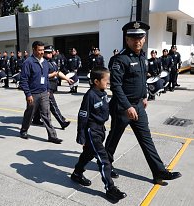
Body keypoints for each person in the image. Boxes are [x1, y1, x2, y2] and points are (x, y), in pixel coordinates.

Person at [105, 21, 181, 184]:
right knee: (114, 138)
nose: (137, 41)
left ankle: (159, 171)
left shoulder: (142, 57)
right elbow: (116, 86)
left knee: (146, 139)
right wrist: (127, 106)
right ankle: (106, 164)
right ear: (127, 39)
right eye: (133, 38)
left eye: (140, 37)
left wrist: (145, 96)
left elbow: (142, 80)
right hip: (122, 107)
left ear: (144, 39)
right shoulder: (120, 60)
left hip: (138, 105)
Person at [71, 67, 127, 201]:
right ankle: (110, 189)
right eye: (106, 80)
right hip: (92, 131)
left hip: (100, 130)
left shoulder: (103, 93)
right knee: (104, 159)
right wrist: (81, 136)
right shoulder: (90, 95)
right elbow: (83, 116)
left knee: (88, 154)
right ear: (96, 81)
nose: (108, 82)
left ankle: (77, 173)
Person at [19, 41, 63, 144]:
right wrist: (28, 94)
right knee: (30, 113)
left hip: (44, 92)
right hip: (33, 94)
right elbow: (24, 80)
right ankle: (24, 130)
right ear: (34, 50)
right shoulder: (28, 62)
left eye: (43, 50)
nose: (42, 52)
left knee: (46, 114)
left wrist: (48, 90)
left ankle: (52, 136)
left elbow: (46, 78)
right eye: (39, 50)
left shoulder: (45, 63)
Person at [32, 45, 73, 129]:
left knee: (39, 105)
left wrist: (67, 79)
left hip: (52, 86)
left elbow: (58, 72)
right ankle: (62, 122)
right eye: (48, 52)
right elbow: (40, 75)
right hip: (46, 87)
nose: (50, 54)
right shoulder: (42, 62)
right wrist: (52, 74)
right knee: (53, 105)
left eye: (51, 52)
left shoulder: (52, 62)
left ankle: (36, 119)